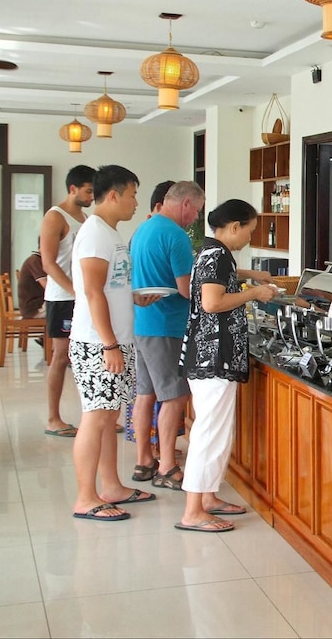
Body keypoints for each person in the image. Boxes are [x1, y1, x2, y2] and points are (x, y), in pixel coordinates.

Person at [176, 199, 279, 532]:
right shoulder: (219, 255)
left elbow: (219, 278)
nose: (250, 237)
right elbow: (212, 302)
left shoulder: (212, 251)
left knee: (216, 431)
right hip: (214, 357)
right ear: (235, 226)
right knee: (210, 433)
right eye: (249, 230)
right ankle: (193, 511)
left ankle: (207, 498)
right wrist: (254, 294)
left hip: (206, 354)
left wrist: (250, 276)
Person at [69, 165, 162, 521]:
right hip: (98, 343)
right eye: (133, 195)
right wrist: (109, 344)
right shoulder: (95, 234)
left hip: (116, 340)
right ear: (113, 196)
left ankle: (111, 486)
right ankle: (85, 498)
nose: (136, 202)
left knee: (109, 418)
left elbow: (111, 287)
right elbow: (92, 292)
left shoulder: (110, 232)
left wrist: (133, 298)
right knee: (96, 417)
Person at [129, 181, 205, 490]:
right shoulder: (176, 235)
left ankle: (144, 460)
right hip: (166, 326)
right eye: (196, 211)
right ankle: (167, 466)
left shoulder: (144, 228)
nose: (196, 218)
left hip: (142, 324)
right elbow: (187, 289)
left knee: (145, 394)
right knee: (175, 397)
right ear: (186, 204)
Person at [39, 165, 96, 437]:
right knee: (61, 357)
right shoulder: (55, 217)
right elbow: (48, 263)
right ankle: (53, 418)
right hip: (63, 298)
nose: (92, 196)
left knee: (89, 354)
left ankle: (96, 415)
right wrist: (75, 292)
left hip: (82, 297)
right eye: (88, 191)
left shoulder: (85, 218)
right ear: (73, 189)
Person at [17, 243, 47, 319]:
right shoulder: (35, 261)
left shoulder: (36, 259)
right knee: (65, 305)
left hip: (36, 304)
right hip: (34, 308)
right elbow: (47, 287)